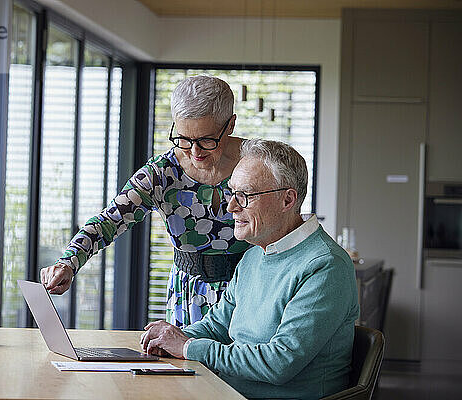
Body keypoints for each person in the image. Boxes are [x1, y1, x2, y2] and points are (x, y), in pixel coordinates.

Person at [140, 139, 359, 399]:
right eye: (231, 193)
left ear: (287, 199)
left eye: (245, 196)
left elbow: (279, 363)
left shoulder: (326, 266)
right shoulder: (254, 254)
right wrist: (170, 339)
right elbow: (216, 326)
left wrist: (187, 347)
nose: (231, 207)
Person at [40, 76, 251, 327]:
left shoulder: (258, 163)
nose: (195, 152)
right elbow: (109, 221)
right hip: (190, 299)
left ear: (230, 125)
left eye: (207, 140)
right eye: (184, 139)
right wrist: (68, 262)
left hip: (250, 292)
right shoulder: (161, 173)